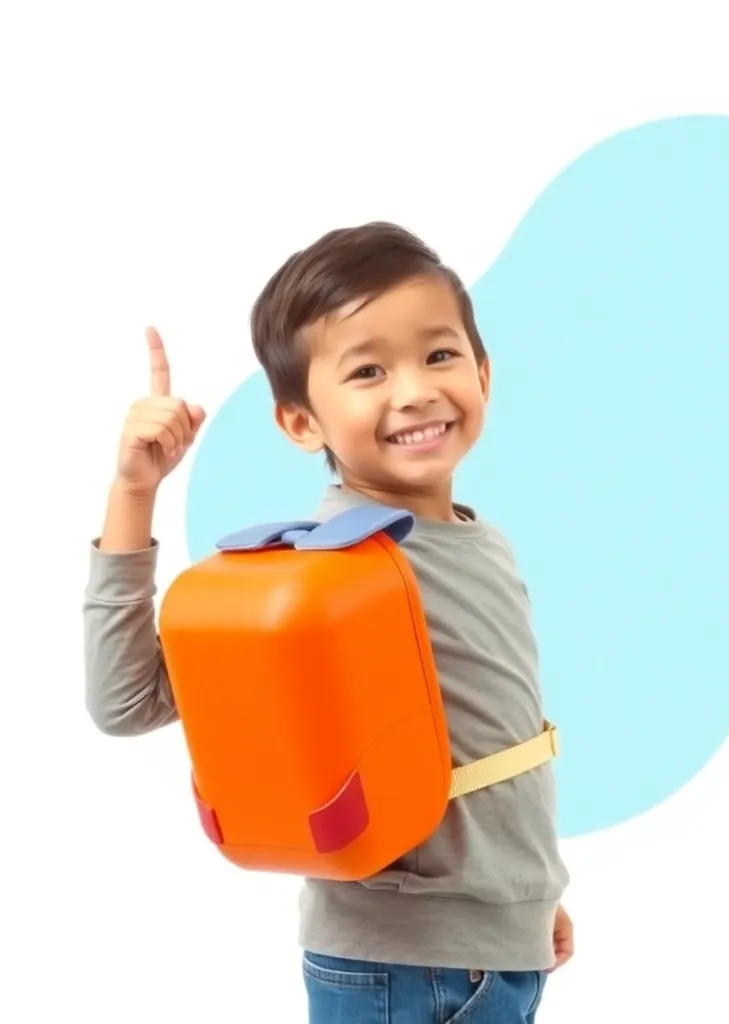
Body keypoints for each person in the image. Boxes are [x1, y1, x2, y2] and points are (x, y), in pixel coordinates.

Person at [82, 222, 572, 1023]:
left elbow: (495, 744)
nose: (413, 390)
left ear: (483, 372)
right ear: (301, 421)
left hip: (499, 949)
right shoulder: (319, 581)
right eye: (368, 370)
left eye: (439, 355)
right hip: (397, 966)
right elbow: (125, 702)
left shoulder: (485, 541)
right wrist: (133, 495)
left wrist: (527, 901)